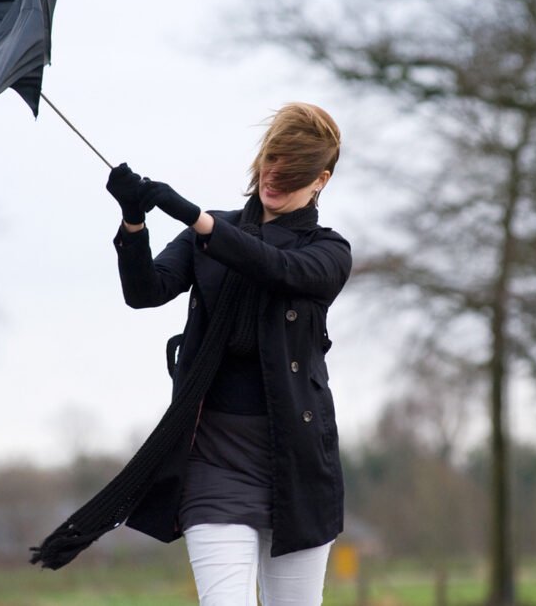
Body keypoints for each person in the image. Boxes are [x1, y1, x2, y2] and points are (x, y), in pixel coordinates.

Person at [104, 102, 352, 606]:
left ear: (321, 180)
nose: (276, 177)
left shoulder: (328, 252)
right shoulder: (210, 233)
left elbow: (277, 268)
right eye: (271, 161)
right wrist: (134, 222)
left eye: (294, 172)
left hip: (297, 466)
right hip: (214, 463)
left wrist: (198, 221)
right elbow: (146, 291)